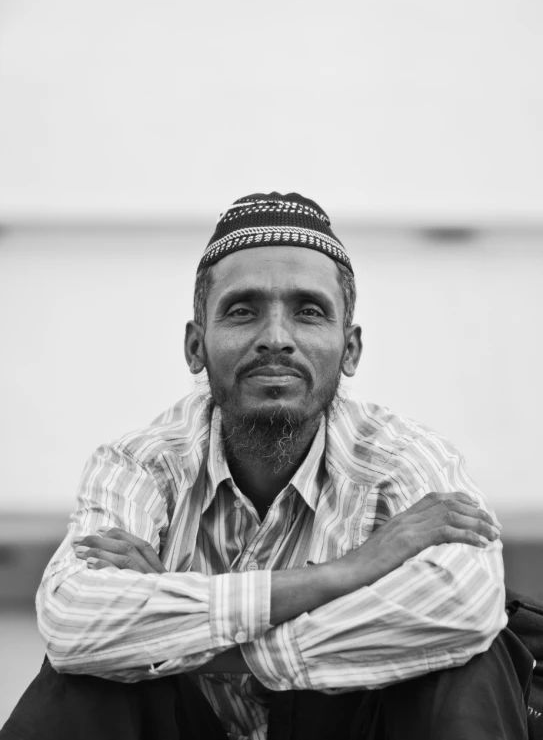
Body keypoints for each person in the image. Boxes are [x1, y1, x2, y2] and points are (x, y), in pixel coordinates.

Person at [1, 192, 534, 740]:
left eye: (308, 311)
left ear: (349, 349)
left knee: (470, 660)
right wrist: (345, 574)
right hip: (187, 724)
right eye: (242, 310)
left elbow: (467, 605)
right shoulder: (139, 464)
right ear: (195, 347)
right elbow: (72, 619)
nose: (276, 339)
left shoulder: (403, 461)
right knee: (83, 674)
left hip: (350, 725)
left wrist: (183, 629)